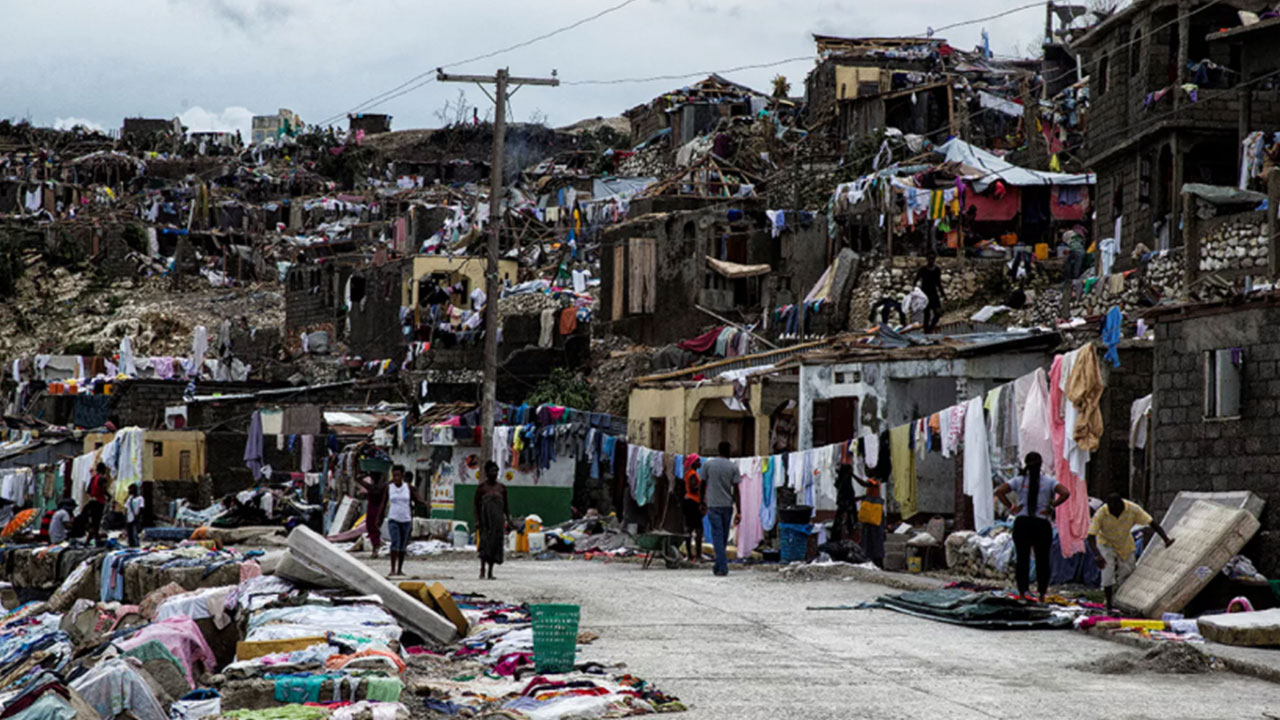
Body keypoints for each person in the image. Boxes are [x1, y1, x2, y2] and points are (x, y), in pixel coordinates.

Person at [994, 452, 1071, 602]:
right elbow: (1065, 492)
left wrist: (1011, 507)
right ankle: (1042, 593)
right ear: (1041, 464)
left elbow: (999, 491)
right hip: (1041, 523)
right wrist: (1051, 507)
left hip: (1023, 522)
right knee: (1042, 560)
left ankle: (1023, 592)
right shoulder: (1049, 481)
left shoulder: (1019, 481)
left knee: (1022, 559)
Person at [1089, 493, 1175, 614]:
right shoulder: (1102, 512)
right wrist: (1097, 555)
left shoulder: (1133, 509)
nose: (1115, 513)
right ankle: (1108, 605)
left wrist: (1166, 539)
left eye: (1117, 511)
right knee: (1107, 573)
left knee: (1127, 573)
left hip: (1125, 543)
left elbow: (1152, 523)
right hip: (1105, 543)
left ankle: (1121, 601)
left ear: (1122, 506)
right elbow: (1091, 536)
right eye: (1112, 511)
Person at [701, 441, 741, 577]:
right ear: (727, 451)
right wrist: (739, 510)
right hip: (727, 505)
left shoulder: (708, 464)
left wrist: (702, 502)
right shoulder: (733, 467)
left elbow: (702, 483)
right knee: (722, 536)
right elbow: (736, 490)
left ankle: (719, 565)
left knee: (718, 536)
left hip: (713, 504)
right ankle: (722, 566)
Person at [386, 464, 428, 578]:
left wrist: (425, 504)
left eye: (398, 475)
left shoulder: (408, 488)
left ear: (402, 476)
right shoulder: (389, 487)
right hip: (393, 518)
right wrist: (378, 519)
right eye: (394, 476)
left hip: (406, 519)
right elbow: (382, 504)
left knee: (403, 545)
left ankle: (400, 569)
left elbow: (417, 499)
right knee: (395, 542)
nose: (396, 478)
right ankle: (392, 569)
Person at [474, 461, 510, 580]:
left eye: (496, 471)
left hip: (498, 521)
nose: (494, 473)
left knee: (495, 545)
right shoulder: (482, 488)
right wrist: (477, 520)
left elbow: (506, 506)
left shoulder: (502, 488)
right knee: (485, 545)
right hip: (485, 522)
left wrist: (508, 520)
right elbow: (475, 505)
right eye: (492, 471)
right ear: (487, 473)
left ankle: (490, 571)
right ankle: (482, 569)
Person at [355, 471, 388, 558]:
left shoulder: (377, 487)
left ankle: (376, 547)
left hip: (376, 511)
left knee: (374, 529)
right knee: (372, 529)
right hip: (374, 511)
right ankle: (376, 546)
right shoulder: (381, 487)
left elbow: (358, 479)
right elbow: (358, 479)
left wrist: (366, 474)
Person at [855, 474, 885, 567]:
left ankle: (879, 563)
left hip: (875, 514)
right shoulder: (873, 482)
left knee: (876, 540)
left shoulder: (875, 482)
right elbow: (868, 493)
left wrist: (852, 475)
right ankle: (869, 561)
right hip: (870, 515)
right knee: (867, 539)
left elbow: (865, 484)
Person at [680, 455, 704, 562]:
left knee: (689, 528)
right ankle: (697, 554)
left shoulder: (688, 473)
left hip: (688, 501)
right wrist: (703, 486)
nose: (700, 462)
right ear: (693, 463)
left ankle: (690, 554)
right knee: (698, 529)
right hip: (693, 502)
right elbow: (693, 488)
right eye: (697, 461)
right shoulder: (693, 474)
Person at [914, 251, 945, 333]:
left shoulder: (937, 270)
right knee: (926, 315)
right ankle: (926, 331)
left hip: (934, 294)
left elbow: (938, 283)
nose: (931, 260)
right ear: (927, 259)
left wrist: (943, 294)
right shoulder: (922, 270)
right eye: (930, 259)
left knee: (938, 313)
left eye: (933, 259)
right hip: (925, 295)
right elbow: (915, 281)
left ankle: (930, 328)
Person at [85, 463, 112, 545]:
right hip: (99, 502)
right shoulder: (102, 478)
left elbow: (88, 490)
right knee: (97, 522)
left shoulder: (93, 478)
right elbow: (103, 489)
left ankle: (92, 539)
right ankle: (92, 540)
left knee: (93, 522)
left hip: (92, 501)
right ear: (103, 469)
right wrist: (109, 496)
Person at [833, 464, 856, 542]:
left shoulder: (842, 480)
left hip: (843, 504)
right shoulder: (846, 481)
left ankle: (837, 538)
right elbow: (849, 495)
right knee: (844, 522)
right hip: (846, 504)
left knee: (839, 522)